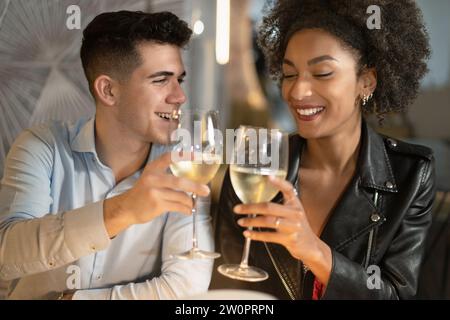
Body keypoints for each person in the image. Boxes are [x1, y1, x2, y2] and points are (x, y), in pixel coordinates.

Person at [211, 0, 435, 299]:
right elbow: (226, 290)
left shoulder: (411, 174)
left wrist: (315, 252)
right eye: (290, 75)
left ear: (366, 82)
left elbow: (396, 295)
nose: (298, 91)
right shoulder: (253, 164)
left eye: (322, 73)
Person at [0, 11, 214, 300]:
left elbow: (186, 287)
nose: (179, 96)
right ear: (108, 90)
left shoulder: (185, 167)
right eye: (161, 80)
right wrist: (122, 211)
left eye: (179, 80)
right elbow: (7, 255)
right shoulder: (42, 147)